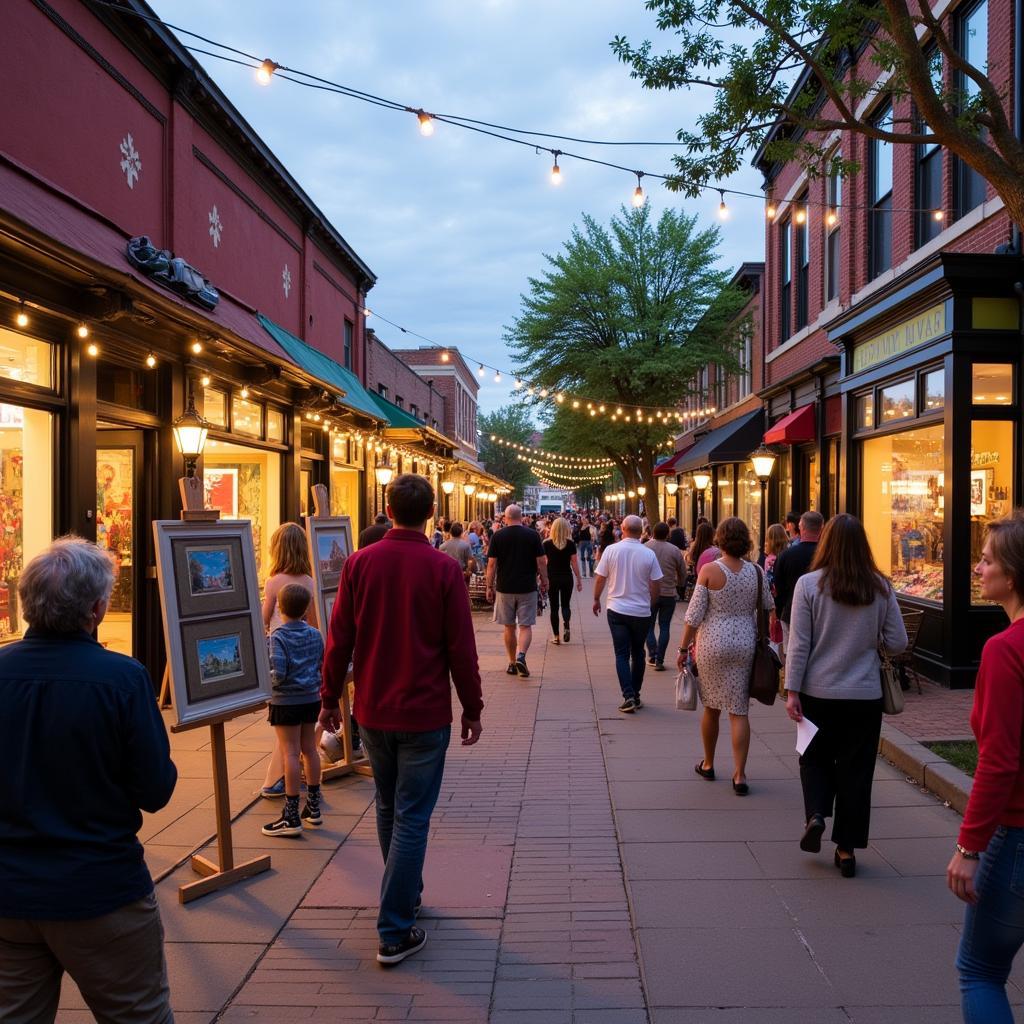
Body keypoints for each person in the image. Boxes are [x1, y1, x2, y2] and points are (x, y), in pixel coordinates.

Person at [0, 537, 177, 1022]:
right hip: (99, 889)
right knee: (137, 1014)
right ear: (97, 609)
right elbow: (156, 790)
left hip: (9, 893)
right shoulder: (121, 679)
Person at [320, 474, 483, 966]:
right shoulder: (440, 569)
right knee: (412, 814)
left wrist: (329, 698)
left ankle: (404, 894)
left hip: (373, 708)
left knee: (389, 805)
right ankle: (394, 926)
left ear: (388, 509)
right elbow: (460, 646)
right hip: (424, 710)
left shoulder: (359, 563)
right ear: (430, 512)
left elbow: (339, 637)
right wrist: (471, 707)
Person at [784, 513, 907, 877]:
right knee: (857, 769)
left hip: (817, 691)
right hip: (864, 694)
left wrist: (792, 691)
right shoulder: (880, 587)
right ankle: (846, 849)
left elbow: (799, 644)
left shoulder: (809, 585)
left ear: (825, 543)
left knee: (814, 758)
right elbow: (898, 641)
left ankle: (817, 813)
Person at [949, 511, 1024, 1021]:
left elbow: (998, 762)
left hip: (1016, 834)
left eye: (986, 560)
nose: (978, 569)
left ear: (1012, 574)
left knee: (979, 971)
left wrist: (969, 847)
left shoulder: (1004, 651)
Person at [677, 517, 772, 795]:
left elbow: (693, 617)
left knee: (712, 707)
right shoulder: (756, 571)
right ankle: (740, 774)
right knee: (738, 710)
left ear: (720, 538)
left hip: (712, 642)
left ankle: (708, 763)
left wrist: (683, 649)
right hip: (744, 640)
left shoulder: (709, 570)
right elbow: (768, 604)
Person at [262, 584, 326, 837]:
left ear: (280, 607)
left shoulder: (277, 637)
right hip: (311, 698)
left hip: (286, 702)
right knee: (310, 750)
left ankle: (290, 814)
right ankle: (313, 808)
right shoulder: (315, 634)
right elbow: (320, 664)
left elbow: (278, 674)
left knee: (290, 753)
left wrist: (262, 683)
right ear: (306, 608)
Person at [261, 523, 319, 798]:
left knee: (289, 746)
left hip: (281, 661)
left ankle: (282, 787)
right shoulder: (309, 581)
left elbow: (263, 620)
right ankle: (311, 794)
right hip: (306, 670)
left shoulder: (274, 583)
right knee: (306, 745)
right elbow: (316, 624)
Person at [593, 514, 663, 714]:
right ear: (641, 531)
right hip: (641, 611)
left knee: (621, 654)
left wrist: (596, 599)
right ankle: (636, 693)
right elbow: (656, 583)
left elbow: (600, 578)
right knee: (638, 653)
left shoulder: (611, 550)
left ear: (622, 529)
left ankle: (628, 695)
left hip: (617, 609)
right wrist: (651, 603)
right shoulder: (648, 554)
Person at [485, 504, 548, 678]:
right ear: (522, 517)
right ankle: (522, 656)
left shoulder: (498, 536)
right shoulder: (532, 535)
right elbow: (541, 561)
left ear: (505, 518)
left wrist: (489, 586)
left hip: (505, 588)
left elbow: (491, 564)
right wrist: (545, 580)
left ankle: (512, 663)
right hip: (527, 587)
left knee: (509, 626)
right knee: (526, 625)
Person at [773, 510, 824, 653]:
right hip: (822, 615)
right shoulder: (827, 556)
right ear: (822, 528)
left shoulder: (786, 555)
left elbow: (778, 586)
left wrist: (780, 608)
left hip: (791, 611)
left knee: (793, 654)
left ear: (801, 528)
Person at [645, 521, 686, 671]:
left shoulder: (645, 547)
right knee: (665, 626)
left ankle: (653, 654)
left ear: (652, 532)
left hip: (649, 593)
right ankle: (660, 659)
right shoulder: (675, 550)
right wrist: (680, 585)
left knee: (648, 625)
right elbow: (682, 571)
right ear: (668, 534)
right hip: (669, 592)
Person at [543, 517, 582, 644]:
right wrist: (579, 579)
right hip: (566, 577)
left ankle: (556, 636)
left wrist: (542, 578)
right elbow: (574, 562)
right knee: (566, 605)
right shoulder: (570, 544)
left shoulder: (546, 544)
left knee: (554, 607)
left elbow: (544, 563)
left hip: (552, 578)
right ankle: (566, 625)